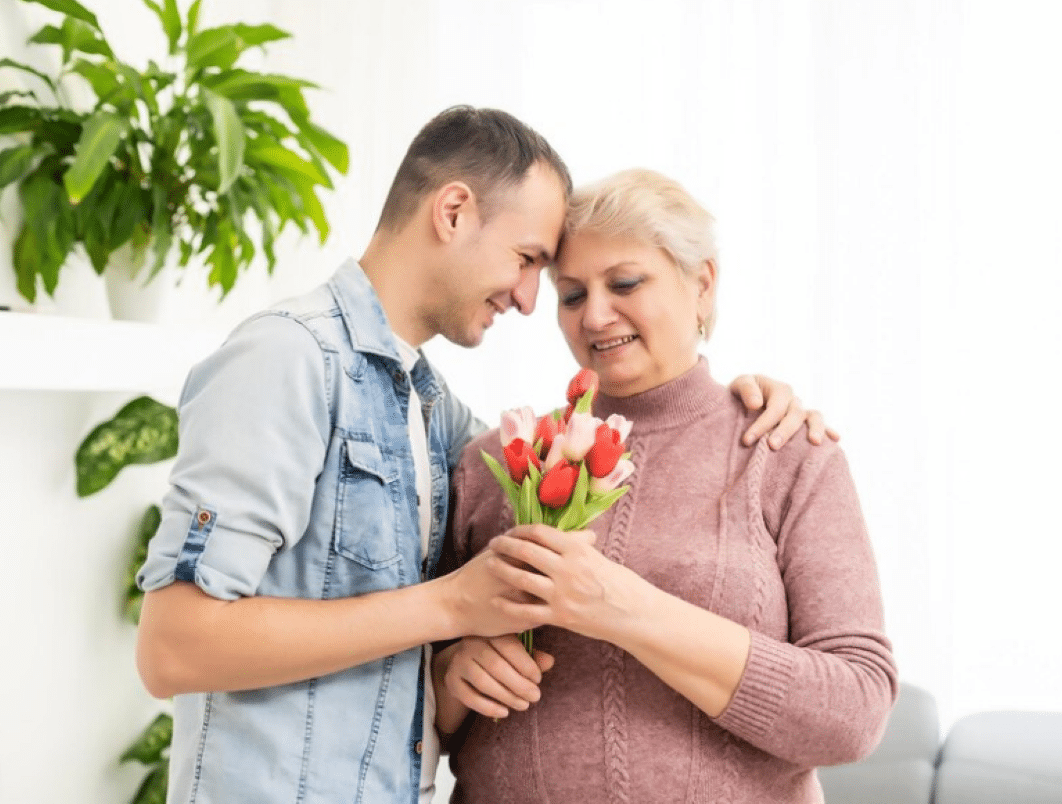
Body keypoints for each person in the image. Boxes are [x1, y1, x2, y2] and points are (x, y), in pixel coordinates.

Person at [133, 107, 830, 804]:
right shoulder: (287, 357)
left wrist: (735, 403)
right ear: (454, 212)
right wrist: (451, 606)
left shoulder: (430, 409)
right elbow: (173, 648)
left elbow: (572, 451)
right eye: (529, 261)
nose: (528, 300)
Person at [436, 168, 896, 803]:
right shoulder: (497, 462)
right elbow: (400, 709)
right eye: (572, 295)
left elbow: (854, 715)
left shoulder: (785, 454)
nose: (596, 315)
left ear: (702, 283)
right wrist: (451, 675)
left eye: (625, 283)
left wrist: (625, 609)